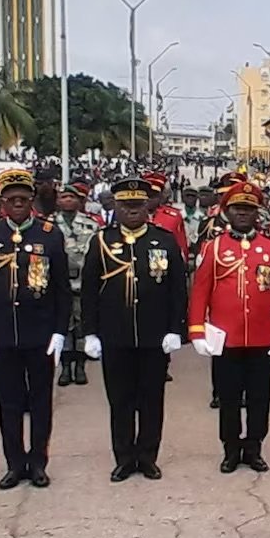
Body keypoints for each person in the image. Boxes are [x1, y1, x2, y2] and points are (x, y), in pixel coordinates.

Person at [83, 176, 188, 481]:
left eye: (137, 205)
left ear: (147, 207)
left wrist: (175, 329)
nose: (131, 211)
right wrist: (90, 332)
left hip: (154, 336)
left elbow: (177, 290)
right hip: (115, 335)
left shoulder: (164, 240)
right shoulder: (101, 241)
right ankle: (124, 457)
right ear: (115, 206)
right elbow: (89, 290)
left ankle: (148, 456)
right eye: (126, 205)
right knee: (120, 400)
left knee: (152, 399)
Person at [0, 168, 70, 489]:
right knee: (9, 404)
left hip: (39, 332)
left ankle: (38, 461)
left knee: (41, 402)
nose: (17, 204)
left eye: (23, 199)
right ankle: (14, 463)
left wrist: (59, 331)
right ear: (1, 201)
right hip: (2, 333)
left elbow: (61, 289)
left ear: (32, 200)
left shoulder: (49, 234)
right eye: (11, 199)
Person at [189, 181, 270, 473]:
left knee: (259, 398)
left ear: (258, 213)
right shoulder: (213, 247)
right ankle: (230, 449)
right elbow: (200, 291)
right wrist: (196, 331)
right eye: (237, 209)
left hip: (262, 337)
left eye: (249, 209)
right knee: (228, 398)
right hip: (225, 339)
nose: (243, 214)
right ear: (227, 211)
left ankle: (254, 448)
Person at [53, 180, 101, 388]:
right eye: (64, 197)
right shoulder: (49, 225)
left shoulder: (91, 225)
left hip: (84, 284)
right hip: (59, 285)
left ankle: (80, 366)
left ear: (80, 201)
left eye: (72, 197)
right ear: (58, 201)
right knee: (63, 325)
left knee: (82, 325)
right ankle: (65, 366)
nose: (68, 200)